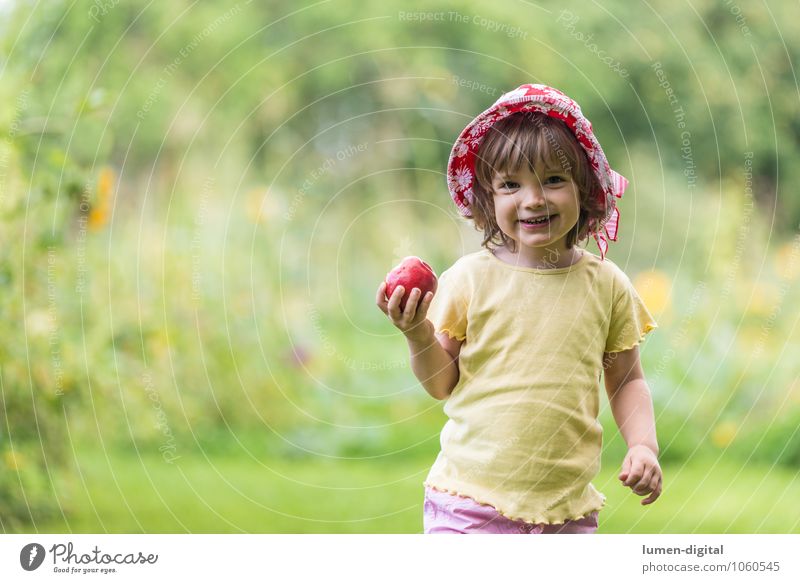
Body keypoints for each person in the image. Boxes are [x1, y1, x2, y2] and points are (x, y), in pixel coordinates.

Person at [376, 84, 662, 534]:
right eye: (511, 184)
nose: (533, 199)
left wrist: (643, 445)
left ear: (585, 190)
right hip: (469, 501)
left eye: (553, 180)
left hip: (566, 511)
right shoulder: (471, 279)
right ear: (488, 198)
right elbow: (441, 383)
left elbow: (627, 381)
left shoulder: (606, 286)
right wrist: (417, 334)